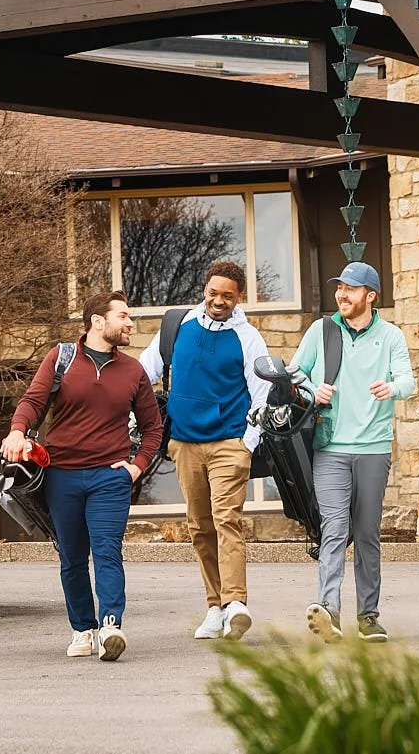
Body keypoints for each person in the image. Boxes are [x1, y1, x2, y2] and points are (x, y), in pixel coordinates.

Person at [3, 291, 165, 661]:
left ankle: (110, 626)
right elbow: (32, 402)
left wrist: (136, 467)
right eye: (123, 316)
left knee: (107, 550)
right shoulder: (61, 358)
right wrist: (16, 431)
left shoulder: (133, 371)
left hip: (110, 478)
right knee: (72, 557)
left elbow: (153, 427)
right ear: (97, 321)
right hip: (61, 475)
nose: (130, 323)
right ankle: (83, 629)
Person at [138, 259, 270, 641]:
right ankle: (216, 607)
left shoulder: (248, 338)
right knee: (199, 526)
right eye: (213, 293)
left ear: (238, 297)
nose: (219, 301)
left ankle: (237, 604)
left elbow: (261, 394)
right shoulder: (178, 327)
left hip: (229, 442)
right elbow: (144, 373)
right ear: (204, 290)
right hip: (185, 444)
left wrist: (247, 442)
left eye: (227, 296)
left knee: (226, 519)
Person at [288, 260, 414, 642]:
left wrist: (391, 388)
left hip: (374, 449)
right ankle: (329, 610)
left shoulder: (390, 336)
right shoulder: (321, 330)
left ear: (370, 295)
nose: (341, 294)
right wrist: (313, 390)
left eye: (351, 288)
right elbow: (293, 373)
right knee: (334, 529)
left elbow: (408, 380)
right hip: (330, 447)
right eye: (339, 287)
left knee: (367, 534)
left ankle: (369, 615)